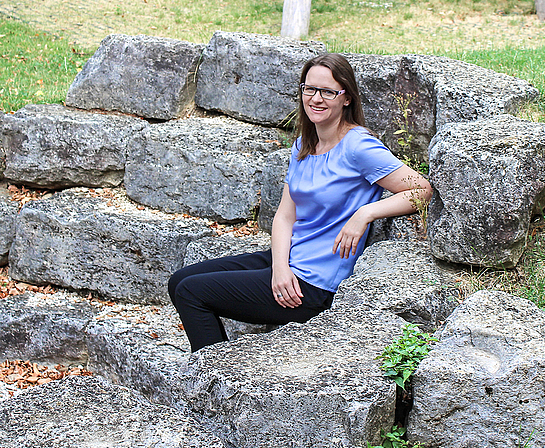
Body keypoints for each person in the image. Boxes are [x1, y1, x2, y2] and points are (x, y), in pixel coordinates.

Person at [168, 53, 433, 352]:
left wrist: (365, 213)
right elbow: (284, 216)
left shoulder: (359, 146)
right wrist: (280, 268)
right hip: (290, 263)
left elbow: (421, 189)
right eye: (310, 89)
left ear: (346, 98)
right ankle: (216, 365)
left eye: (328, 92)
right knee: (180, 280)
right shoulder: (304, 145)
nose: (316, 99)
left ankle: (211, 378)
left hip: (314, 284)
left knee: (191, 292)